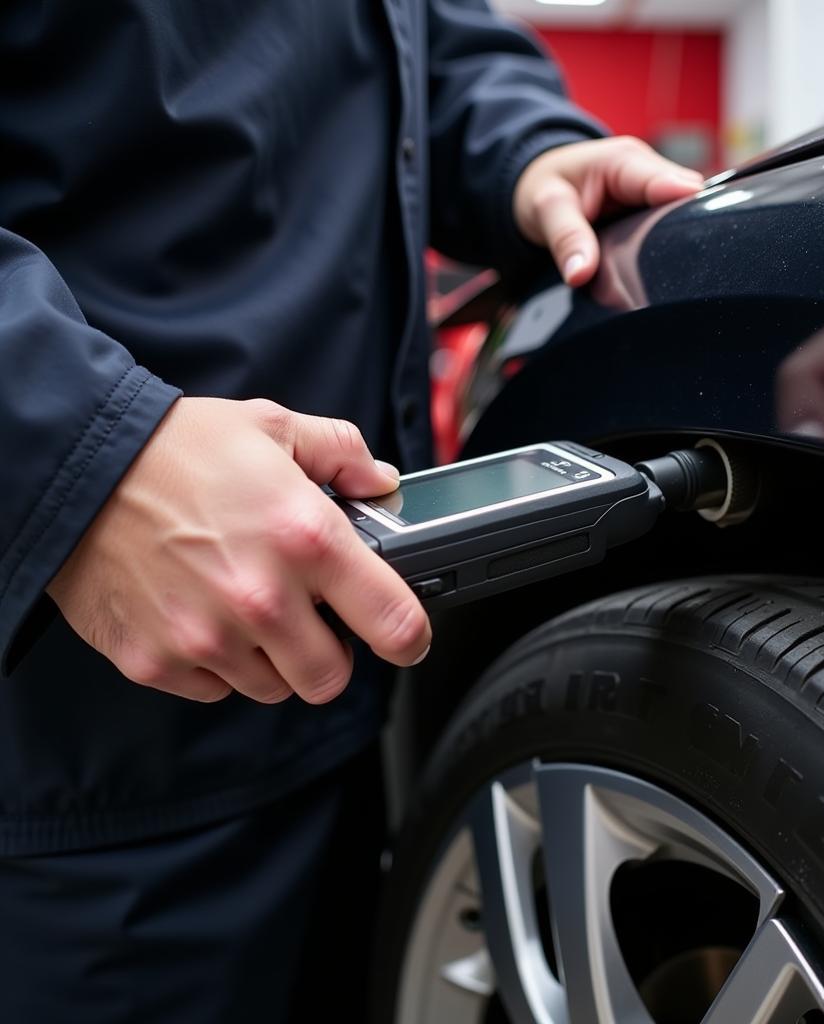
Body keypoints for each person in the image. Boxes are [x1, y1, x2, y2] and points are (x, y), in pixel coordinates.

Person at [0, 1, 703, 1019]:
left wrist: (531, 153)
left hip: (340, 706)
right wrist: (74, 451)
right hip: (78, 763)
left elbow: (425, 50)